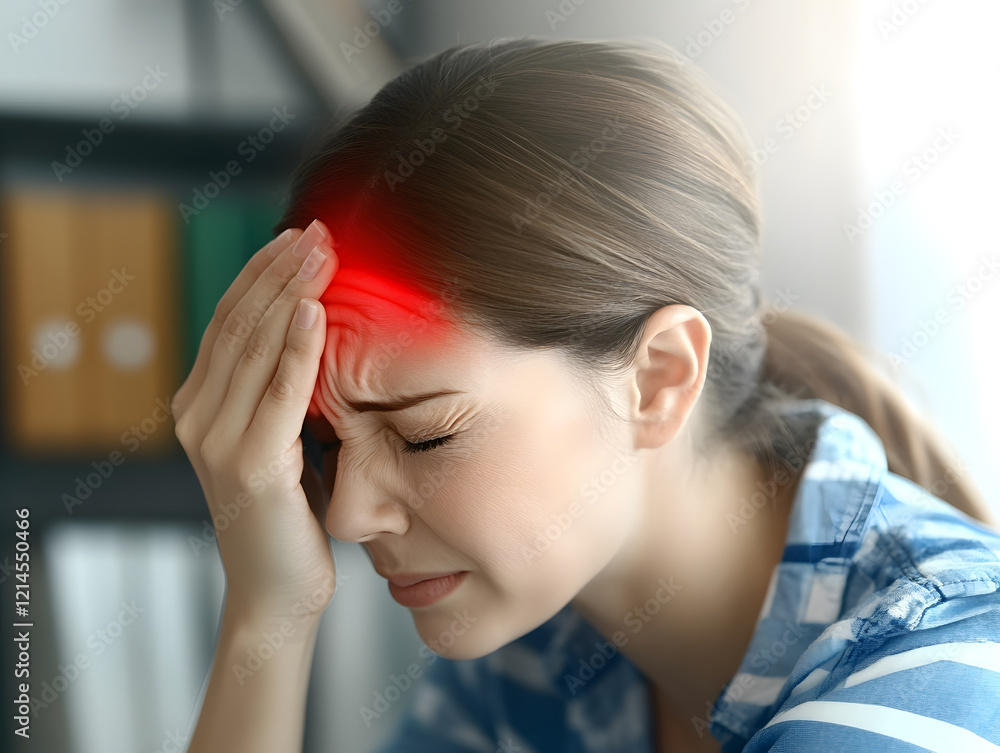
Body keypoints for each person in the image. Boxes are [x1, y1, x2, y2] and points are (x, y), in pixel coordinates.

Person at [171, 36, 1000, 753]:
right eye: (322, 442)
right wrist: (267, 612)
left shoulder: (926, 683)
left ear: (659, 377)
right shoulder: (540, 649)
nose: (348, 517)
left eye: (424, 434)